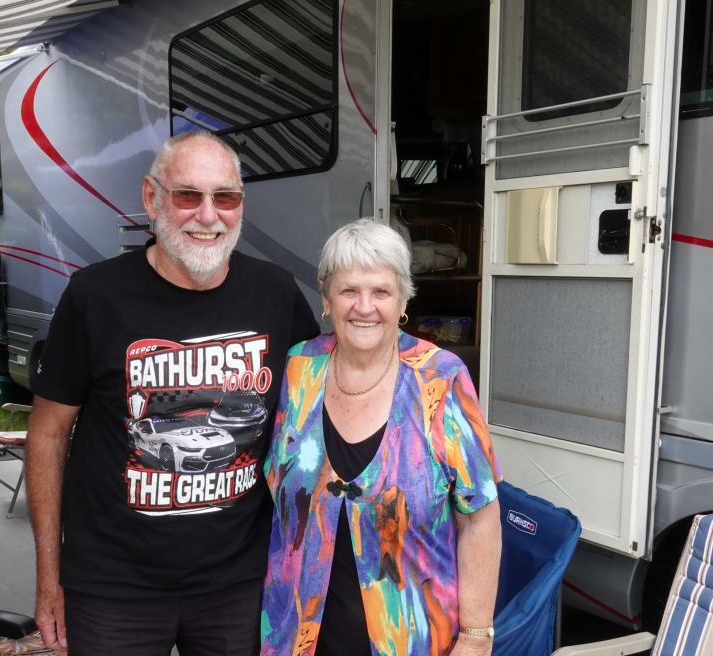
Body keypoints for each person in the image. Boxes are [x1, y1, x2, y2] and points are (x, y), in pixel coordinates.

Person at [25, 130, 319, 655]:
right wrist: (50, 576)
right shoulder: (94, 296)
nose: (209, 215)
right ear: (151, 197)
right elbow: (48, 434)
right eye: (189, 195)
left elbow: (320, 404)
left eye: (225, 197)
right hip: (113, 586)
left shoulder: (275, 292)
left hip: (239, 582)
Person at [261, 219, 503, 656]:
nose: (364, 307)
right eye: (349, 290)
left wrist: (476, 635)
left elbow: (480, 517)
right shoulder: (298, 369)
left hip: (414, 639)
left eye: (381, 292)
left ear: (404, 298)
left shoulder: (442, 379)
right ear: (326, 297)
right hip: (297, 633)